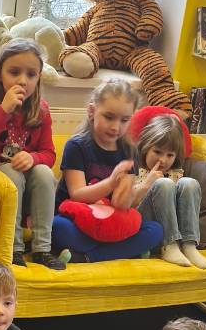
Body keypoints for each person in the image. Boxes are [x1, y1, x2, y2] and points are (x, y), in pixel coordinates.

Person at [0, 39, 68, 270]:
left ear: (38, 78)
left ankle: (42, 248)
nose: (23, 80)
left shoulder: (41, 110)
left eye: (31, 74)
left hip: (28, 186)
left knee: (44, 173)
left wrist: (34, 158)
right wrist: (3, 110)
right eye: (14, 72)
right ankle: (14, 248)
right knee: (11, 172)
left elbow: (49, 153)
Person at [51, 77, 164, 263]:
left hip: (110, 224)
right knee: (56, 227)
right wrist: (111, 182)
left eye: (124, 120)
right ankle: (119, 251)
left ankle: (86, 256)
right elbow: (77, 195)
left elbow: (122, 205)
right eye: (109, 117)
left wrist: (141, 187)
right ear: (92, 111)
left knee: (155, 231)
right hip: (76, 221)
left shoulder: (129, 151)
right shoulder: (76, 146)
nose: (115, 127)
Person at [128, 106, 206, 269]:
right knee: (164, 184)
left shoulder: (175, 173)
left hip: (175, 229)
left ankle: (189, 245)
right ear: (145, 147)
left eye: (170, 155)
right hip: (145, 228)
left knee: (190, 183)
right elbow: (127, 204)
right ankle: (169, 245)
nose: (163, 160)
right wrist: (147, 183)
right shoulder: (133, 168)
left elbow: (180, 207)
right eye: (157, 152)